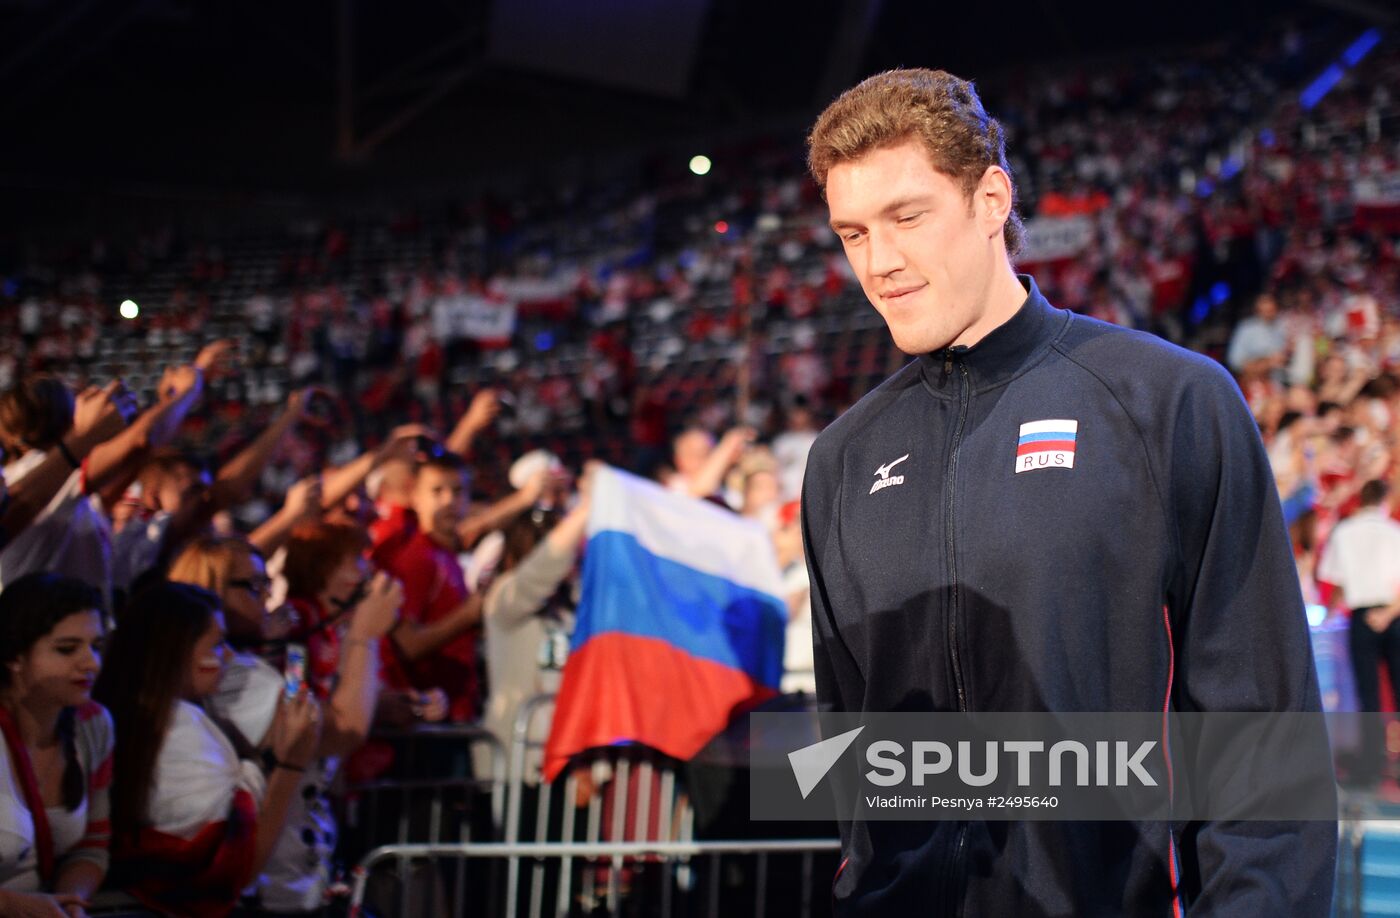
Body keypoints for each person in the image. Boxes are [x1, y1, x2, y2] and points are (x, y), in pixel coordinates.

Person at [801, 68, 1333, 915]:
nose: (880, 262)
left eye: (907, 217)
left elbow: (1260, 732)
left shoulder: (1170, 404)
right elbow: (849, 752)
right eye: (853, 232)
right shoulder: (840, 460)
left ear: (989, 201)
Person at [170, 535, 401, 914]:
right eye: (253, 585)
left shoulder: (245, 663)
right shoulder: (230, 679)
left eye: (267, 583)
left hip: (294, 874)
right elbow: (344, 730)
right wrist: (364, 635)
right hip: (270, 886)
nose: (266, 596)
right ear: (209, 589)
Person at [94, 581, 320, 917]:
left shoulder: (124, 714)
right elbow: (235, 870)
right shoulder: (180, 733)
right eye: (216, 645)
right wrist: (291, 764)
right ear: (175, 651)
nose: (229, 656)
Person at [0, 573, 113, 918]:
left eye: (95, 646)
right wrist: (17, 906)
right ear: (15, 657)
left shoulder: (92, 723)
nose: (91, 663)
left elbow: (92, 847)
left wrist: (71, 902)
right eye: (68, 649)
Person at [1318, 479, 1400, 783]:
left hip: (1363, 618)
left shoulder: (1345, 532)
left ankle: (1371, 765)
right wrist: (1389, 613)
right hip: (1393, 615)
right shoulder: (1394, 532)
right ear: (1384, 500)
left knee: (1369, 695)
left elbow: (1337, 582)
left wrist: (1330, 613)